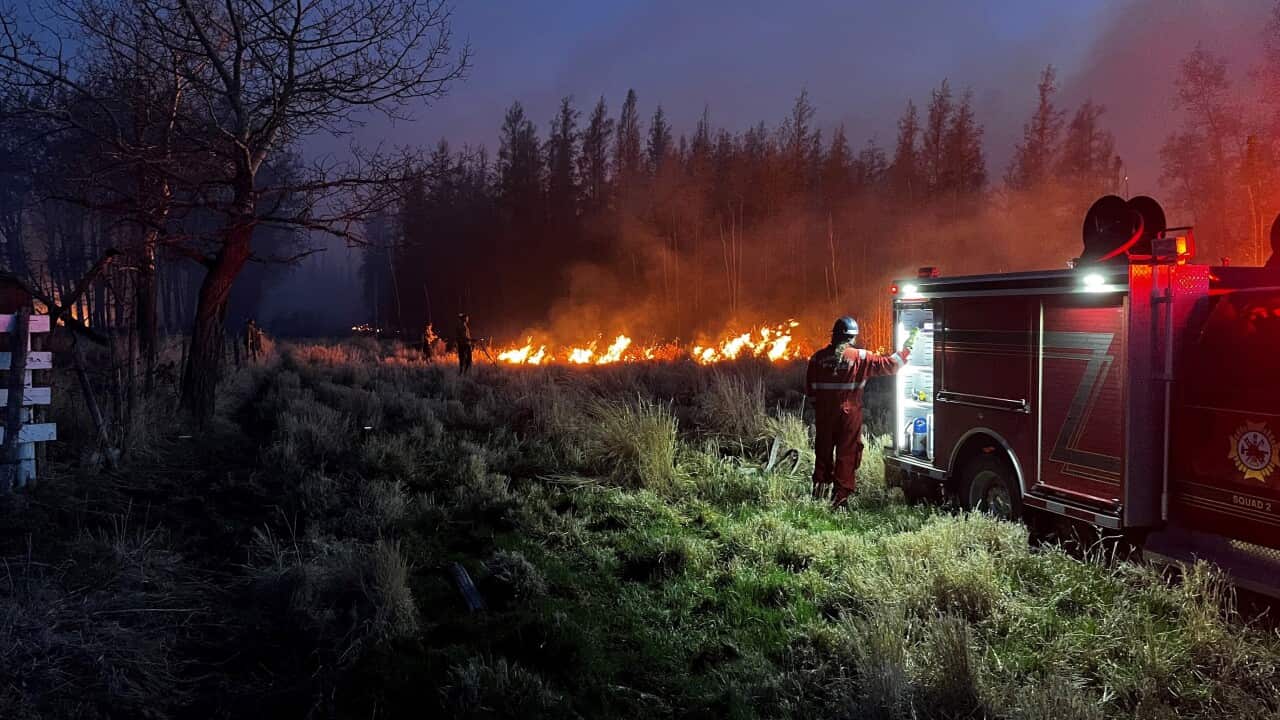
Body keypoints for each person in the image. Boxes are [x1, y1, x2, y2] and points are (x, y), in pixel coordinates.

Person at [806, 316, 911, 509]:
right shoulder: (861, 357)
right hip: (849, 414)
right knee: (847, 454)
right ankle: (840, 500)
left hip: (824, 415)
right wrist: (906, 351)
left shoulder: (817, 358)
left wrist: (821, 409)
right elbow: (889, 365)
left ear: (834, 336)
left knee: (823, 453)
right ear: (852, 337)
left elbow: (811, 391)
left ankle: (818, 495)